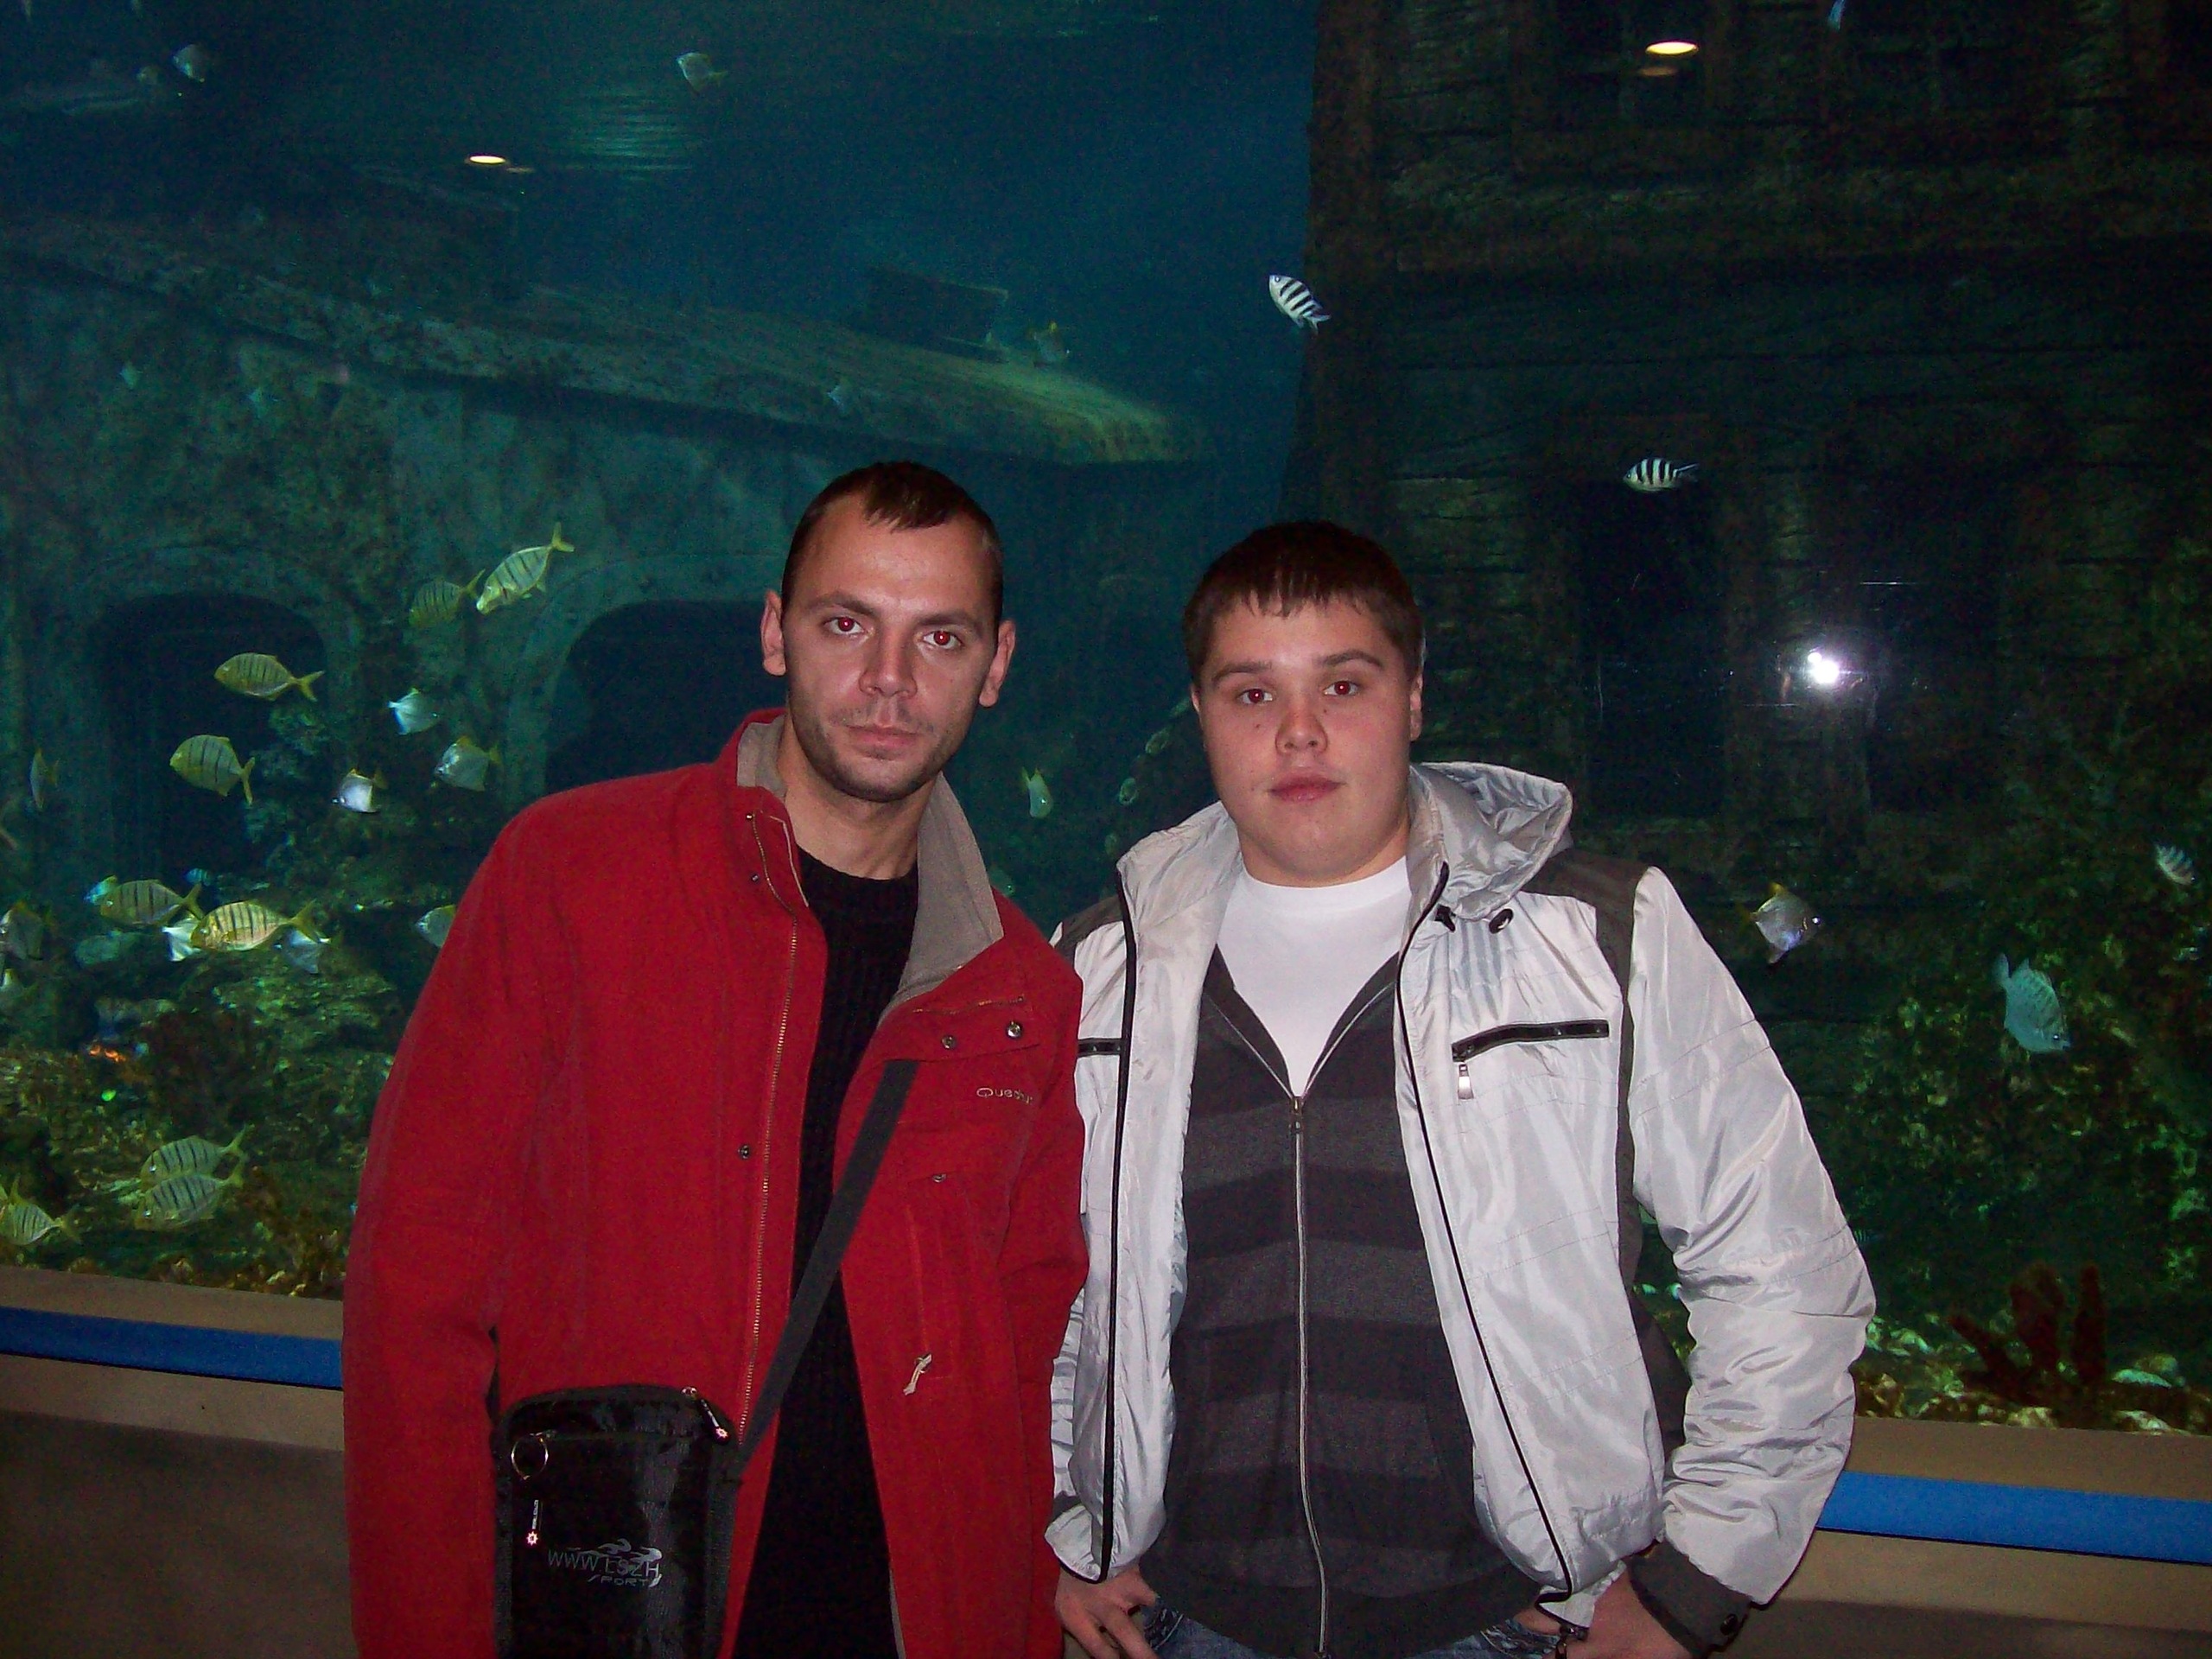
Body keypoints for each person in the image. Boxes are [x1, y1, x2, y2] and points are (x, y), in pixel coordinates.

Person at [1049, 522, 1873, 1659]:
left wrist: (1696, 1582)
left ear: (1416, 697)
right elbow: (1058, 1293)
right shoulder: (1100, 968)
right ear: (1200, 715)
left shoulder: (1599, 934)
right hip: (1197, 1617)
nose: (1299, 730)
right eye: (1252, 693)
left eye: (1345, 683)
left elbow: (1780, 1266)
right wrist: (1076, 1522)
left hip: (1509, 1621)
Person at [345, 461, 1087, 1659]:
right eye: (847, 624)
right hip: (619, 1610)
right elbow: (415, 1292)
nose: (890, 679)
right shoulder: (568, 875)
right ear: (775, 633)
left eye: (939, 637)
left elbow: (1032, 1350)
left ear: (995, 665)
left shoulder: (1019, 991)